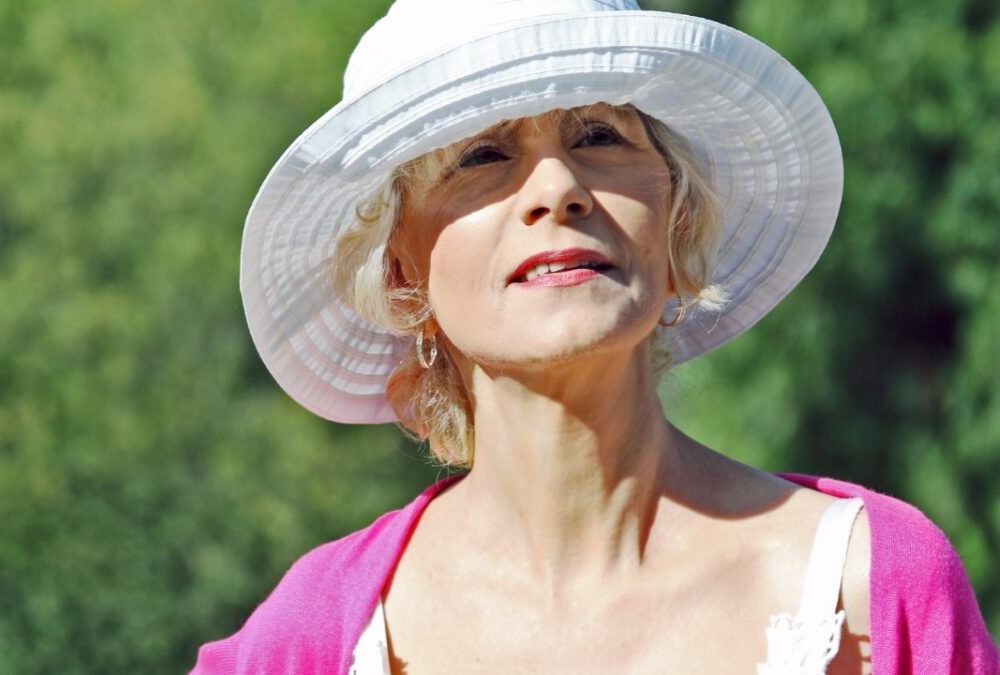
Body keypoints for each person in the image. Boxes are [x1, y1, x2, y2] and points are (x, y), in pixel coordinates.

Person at [192, 1, 999, 673]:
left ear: (677, 223)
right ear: (403, 270)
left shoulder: (872, 586)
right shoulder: (322, 634)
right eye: (481, 154)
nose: (558, 188)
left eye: (600, 137)